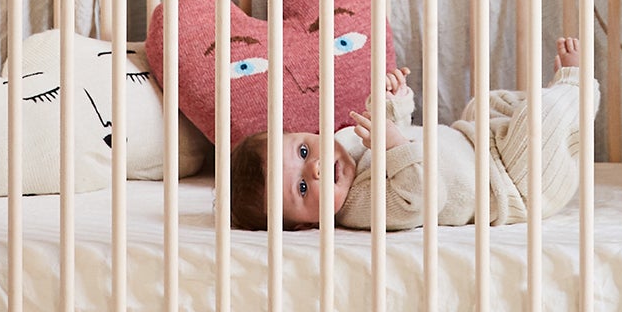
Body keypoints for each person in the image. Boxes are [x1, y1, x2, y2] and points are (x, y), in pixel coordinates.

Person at [229, 38, 595, 232]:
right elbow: (424, 195)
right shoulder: (361, 209)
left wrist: (393, 102)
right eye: (303, 189)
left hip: (478, 140)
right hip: (513, 185)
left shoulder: (344, 145)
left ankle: (563, 110)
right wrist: (392, 144)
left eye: (305, 151)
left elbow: (393, 131)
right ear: (309, 224)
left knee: (487, 103)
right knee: (537, 120)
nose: (317, 169)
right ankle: (575, 89)